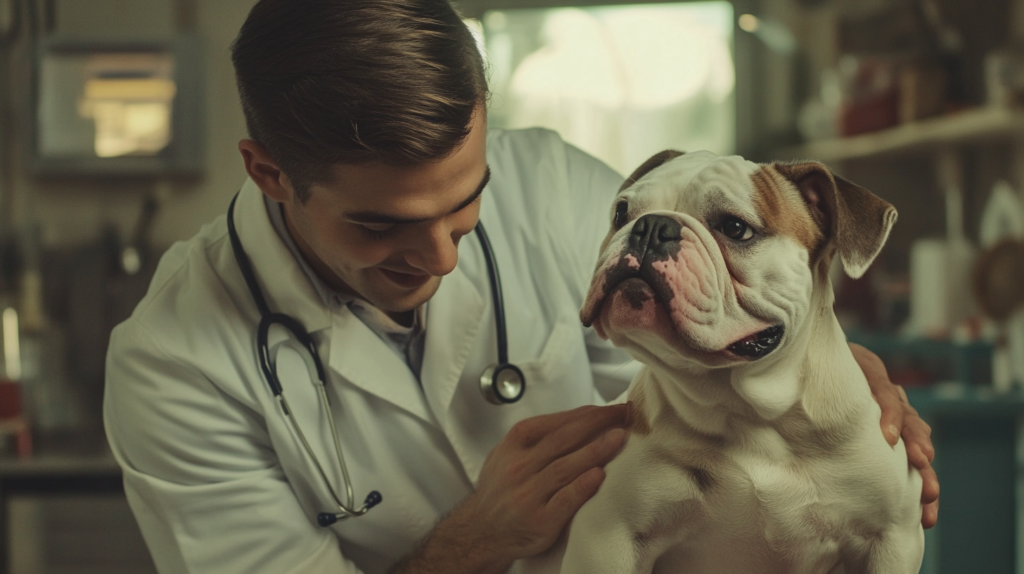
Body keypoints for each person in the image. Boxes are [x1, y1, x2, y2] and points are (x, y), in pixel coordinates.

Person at [103, 1, 939, 573]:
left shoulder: (558, 190)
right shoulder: (173, 362)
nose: (439, 257)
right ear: (269, 173)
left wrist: (832, 388)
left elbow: (716, 337)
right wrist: (469, 545)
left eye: (466, 200)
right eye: (378, 226)